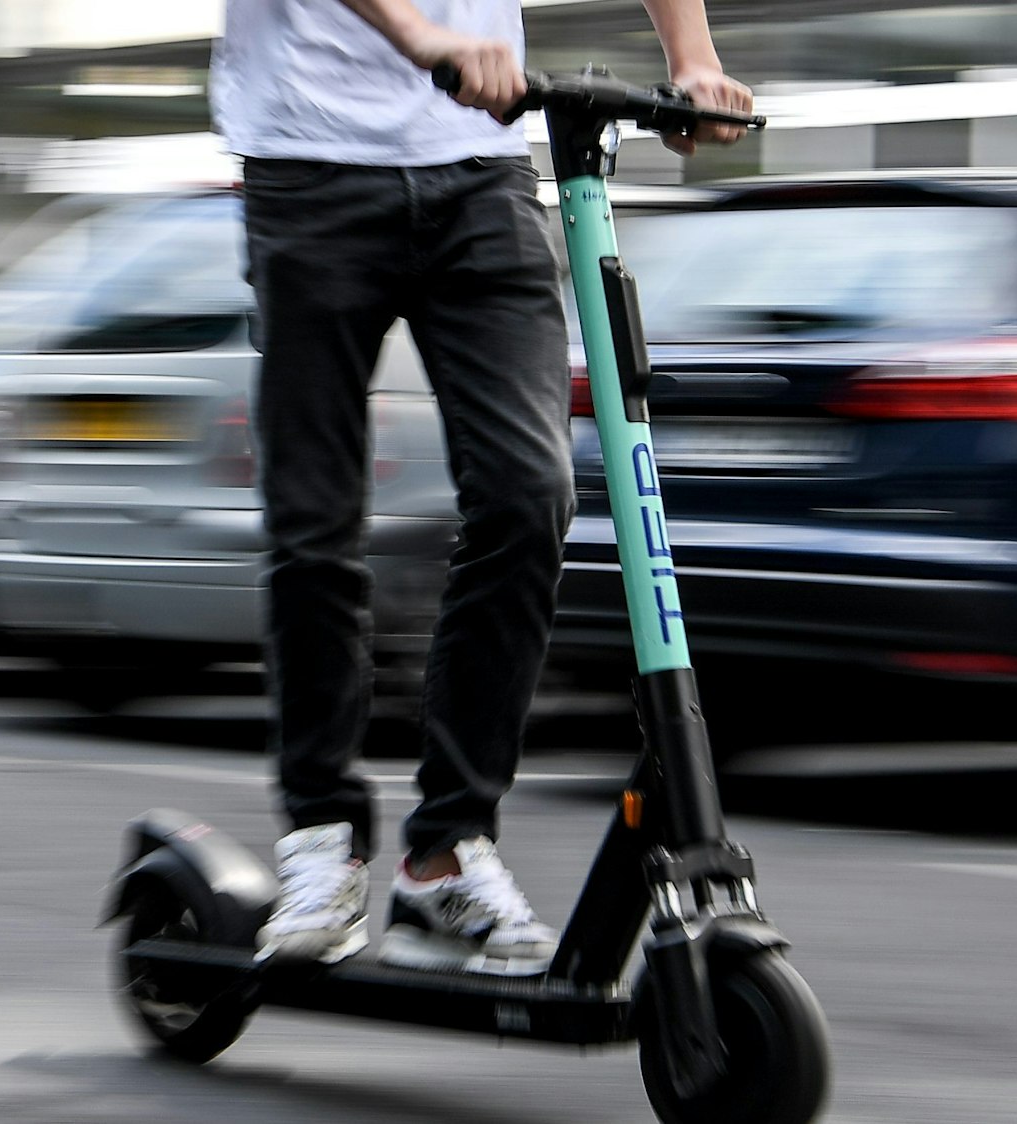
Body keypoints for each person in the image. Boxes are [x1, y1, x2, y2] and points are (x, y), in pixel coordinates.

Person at [212, 0, 751, 975]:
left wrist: (692, 59)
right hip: (308, 163)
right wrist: (421, 36)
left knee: (528, 492)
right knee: (316, 523)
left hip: (480, 169)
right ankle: (322, 841)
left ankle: (446, 852)